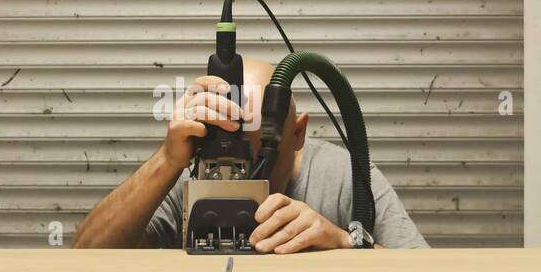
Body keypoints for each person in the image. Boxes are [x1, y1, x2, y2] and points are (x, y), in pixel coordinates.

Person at [72, 59, 427, 252]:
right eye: (227, 150)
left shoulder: (343, 175)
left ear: (298, 133)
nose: (239, 175)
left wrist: (344, 242)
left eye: (259, 153)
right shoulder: (194, 178)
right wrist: (167, 159)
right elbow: (86, 255)